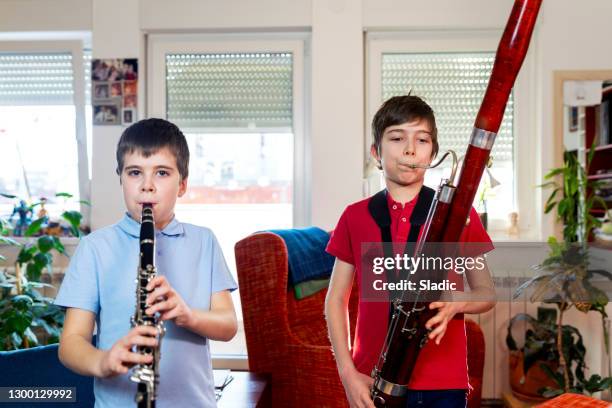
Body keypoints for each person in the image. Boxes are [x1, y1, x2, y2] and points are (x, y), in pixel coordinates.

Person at [324, 95, 496, 408]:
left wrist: (455, 301)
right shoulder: (355, 216)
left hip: (444, 380)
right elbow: (335, 299)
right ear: (377, 151)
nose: (409, 149)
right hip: (372, 377)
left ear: (433, 151)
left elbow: (486, 293)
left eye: (422, 139)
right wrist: (347, 373)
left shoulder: (459, 215)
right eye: (397, 137)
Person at [55, 118, 238, 407]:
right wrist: (103, 361)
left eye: (162, 173)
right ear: (121, 179)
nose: (147, 186)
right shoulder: (94, 248)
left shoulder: (204, 241)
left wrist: (188, 315)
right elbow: (71, 343)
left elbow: (228, 325)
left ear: (183, 184)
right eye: (135, 172)